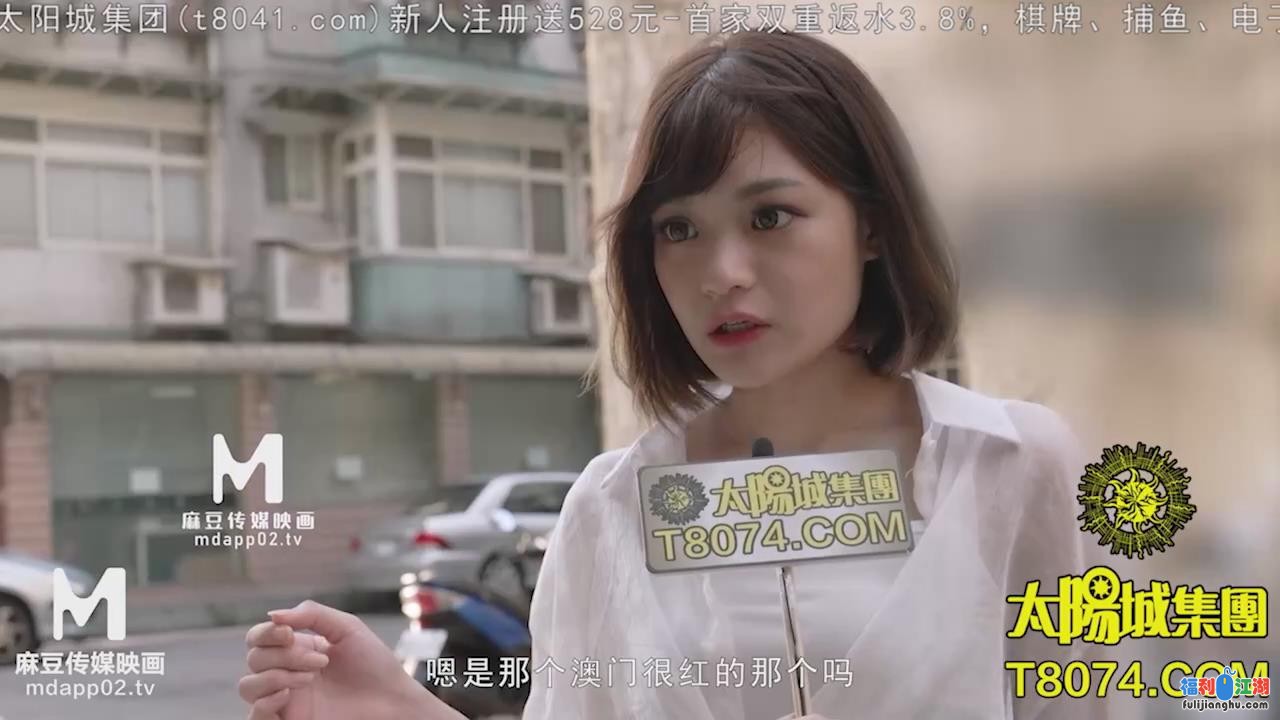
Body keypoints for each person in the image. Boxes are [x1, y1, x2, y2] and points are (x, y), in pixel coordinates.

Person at [239, 30, 1106, 720]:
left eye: (771, 216)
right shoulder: (610, 508)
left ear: (871, 226)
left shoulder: (1013, 465)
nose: (721, 272)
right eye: (678, 229)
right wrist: (399, 708)